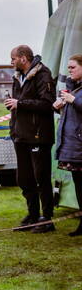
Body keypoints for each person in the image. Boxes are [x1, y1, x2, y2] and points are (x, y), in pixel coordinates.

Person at [6, 45, 57, 233]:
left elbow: (47, 103)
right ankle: (33, 215)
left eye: (13, 58)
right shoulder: (17, 77)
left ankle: (47, 218)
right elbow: (19, 105)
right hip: (20, 135)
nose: (11, 62)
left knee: (41, 177)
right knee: (24, 178)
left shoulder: (43, 74)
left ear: (23, 58)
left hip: (38, 135)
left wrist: (21, 104)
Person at [53, 53, 82, 237]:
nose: (69, 71)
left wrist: (74, 101)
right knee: (80, 187)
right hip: (74, 147)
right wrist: (63, 104)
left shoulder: (76, 94)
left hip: (80, 145)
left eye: (73, 67)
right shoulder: (74, 89)